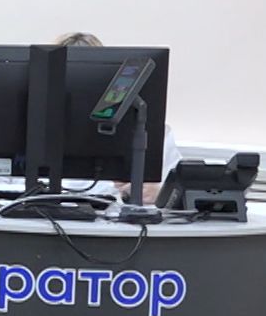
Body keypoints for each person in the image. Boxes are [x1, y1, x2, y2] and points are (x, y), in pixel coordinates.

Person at [50, 32, 178, 203]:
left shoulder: (150, 135)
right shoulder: (32, 131)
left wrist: (158, 194)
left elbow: (179, 194)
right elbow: (13, 186)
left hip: (114, 218)